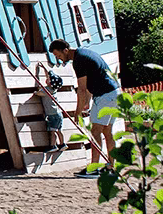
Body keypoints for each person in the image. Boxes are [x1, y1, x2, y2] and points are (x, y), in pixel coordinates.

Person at [48, 39, 119, 176]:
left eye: (59, 55)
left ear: (66, 50)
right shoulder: (85, 53)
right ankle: (111, 167)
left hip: (105, 95)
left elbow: (81, 89)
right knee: (107, 132)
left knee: (95, 132)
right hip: (115, 93)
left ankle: (93, 169)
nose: (59, 59)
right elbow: (89, 87)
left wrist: (78, 113)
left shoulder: (79, 60)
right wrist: (86, 104)